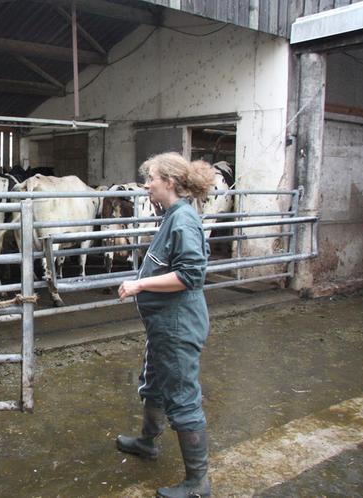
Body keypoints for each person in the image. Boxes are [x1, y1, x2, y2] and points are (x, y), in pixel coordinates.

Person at [115, 152, 214, 498]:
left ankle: (198, 482)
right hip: (164, 324)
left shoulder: (183, 220)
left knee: (183, 397)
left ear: (169, 182)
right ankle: (147, 443)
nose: (146, 185)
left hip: (177, 326)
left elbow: (190, 275)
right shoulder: (172, 216)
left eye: (151, 178)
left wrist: (140, 285)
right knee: (155, 381)